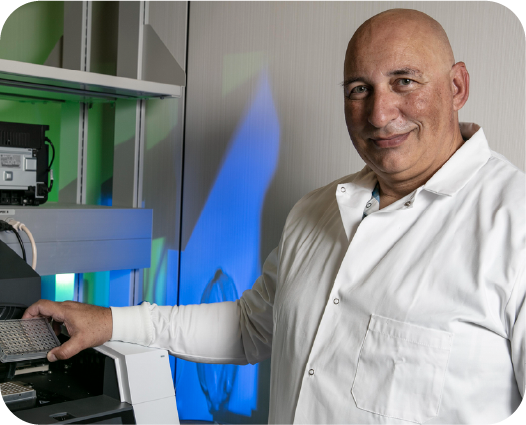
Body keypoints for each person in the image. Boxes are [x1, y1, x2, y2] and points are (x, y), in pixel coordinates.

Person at [23, 8, 526, 425]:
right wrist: (109, 320)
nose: (378, 113)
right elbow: (248, 326)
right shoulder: (315, 211)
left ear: (457, 86)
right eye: (358, 88)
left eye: (404, 81)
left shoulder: (514, 221)